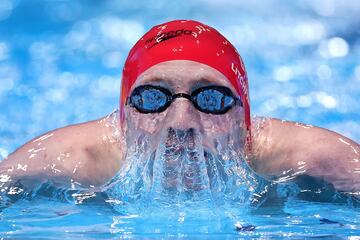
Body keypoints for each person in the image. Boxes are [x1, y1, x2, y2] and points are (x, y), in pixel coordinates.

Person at [0, 20, 359, 197]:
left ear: (244, 120)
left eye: (211, 99)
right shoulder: (67, 162)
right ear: (123, 120)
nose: (181, 122)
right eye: (153, 98)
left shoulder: (305, 160)